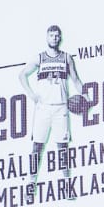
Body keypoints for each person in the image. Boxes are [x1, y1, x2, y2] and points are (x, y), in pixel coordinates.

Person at [19, 24, 80, 185]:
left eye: (57, 35)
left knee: (63, 149)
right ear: (47, 37)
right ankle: (31, 185)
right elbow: (22, 75)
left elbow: (76, 80)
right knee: (37, 148)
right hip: (43, 109)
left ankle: (67, 185)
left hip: (61, 108)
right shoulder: (39, 58)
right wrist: (31, 94)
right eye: (51, 35)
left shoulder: (67, 58)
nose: (54, 38)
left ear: (60, 38)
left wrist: (86, 97)